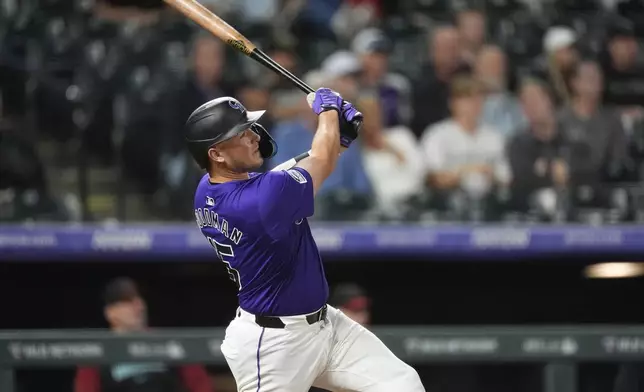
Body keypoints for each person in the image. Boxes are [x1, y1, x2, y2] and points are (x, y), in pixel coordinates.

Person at [186, 89, 424, 391]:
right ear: (216, 154)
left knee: (403, 385)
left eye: (249, 129)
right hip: (274, 346)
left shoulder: (208, 187)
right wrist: (327, 112)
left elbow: (292, 171)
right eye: (240, 135)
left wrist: (337, 138)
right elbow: (317, 162)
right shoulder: (258, 201)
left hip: (327, 328)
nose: (253, 137)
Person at [74, 277, 214, 392]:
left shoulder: (168, 342)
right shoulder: (97, 352)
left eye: (139, 300)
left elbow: (201, 385)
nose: (138, 306)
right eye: (127, 301)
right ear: (110, 312)